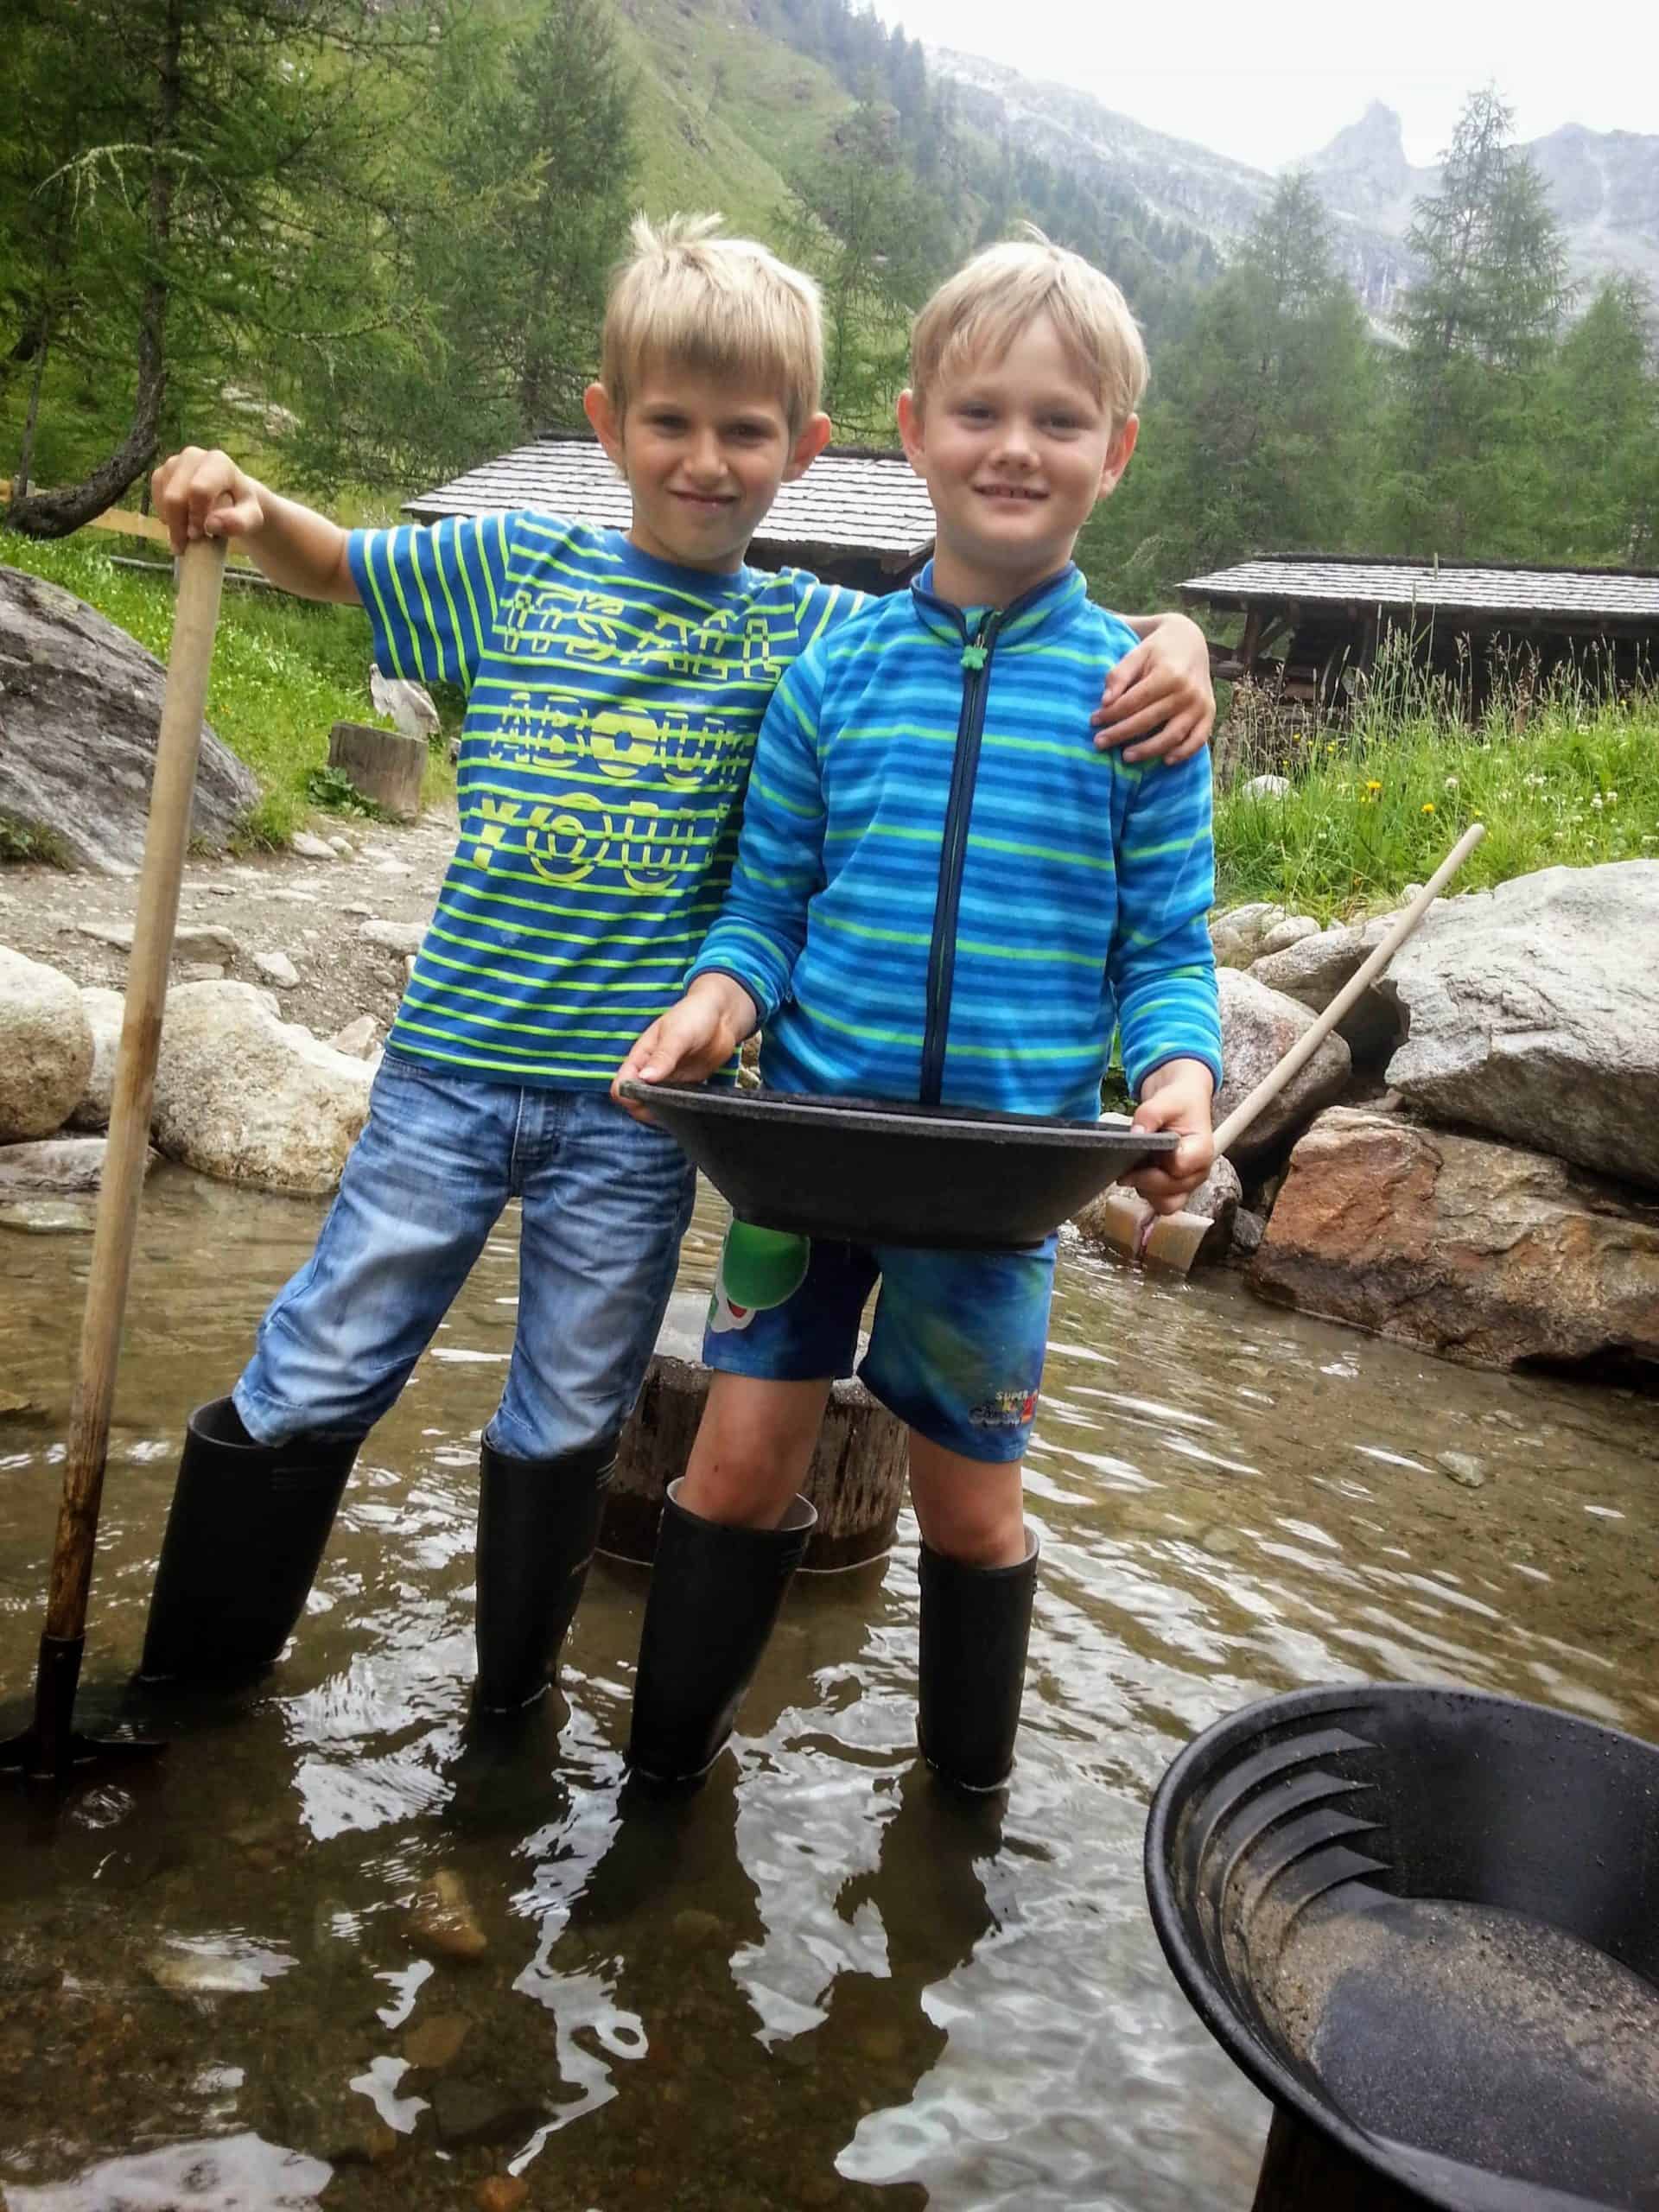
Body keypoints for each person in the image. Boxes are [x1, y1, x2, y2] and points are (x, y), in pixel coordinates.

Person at [137, 213, 1217, 1722]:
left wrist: (1183, 640)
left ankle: (510, 1724)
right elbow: (336, 571)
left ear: (815, 447)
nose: (705, 461)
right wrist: (246, 506)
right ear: (610, 423)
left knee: (594, 1410)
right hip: (511, 1082)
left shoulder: (817, 632)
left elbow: (1011, 678)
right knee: (335, 1358)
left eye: (746, 433)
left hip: (742, 1142)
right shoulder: (585, 584)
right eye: (670, 425)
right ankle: (194, 1696)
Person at [614, 231, 1222, 1793]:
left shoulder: (1140, 700)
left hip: (1001, 1186)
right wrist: (712, 1009)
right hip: (802, 1161)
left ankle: (960, 1821)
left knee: (972, 1509)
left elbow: (1165, 947)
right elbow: (767, 906)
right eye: (978, 412)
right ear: (910, 427)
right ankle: (660, 1783)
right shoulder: (833, 675)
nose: (1015, 447)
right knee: (735, 1461)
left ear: (1118, 453)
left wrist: (1176, 1077)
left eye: (1060, 420)